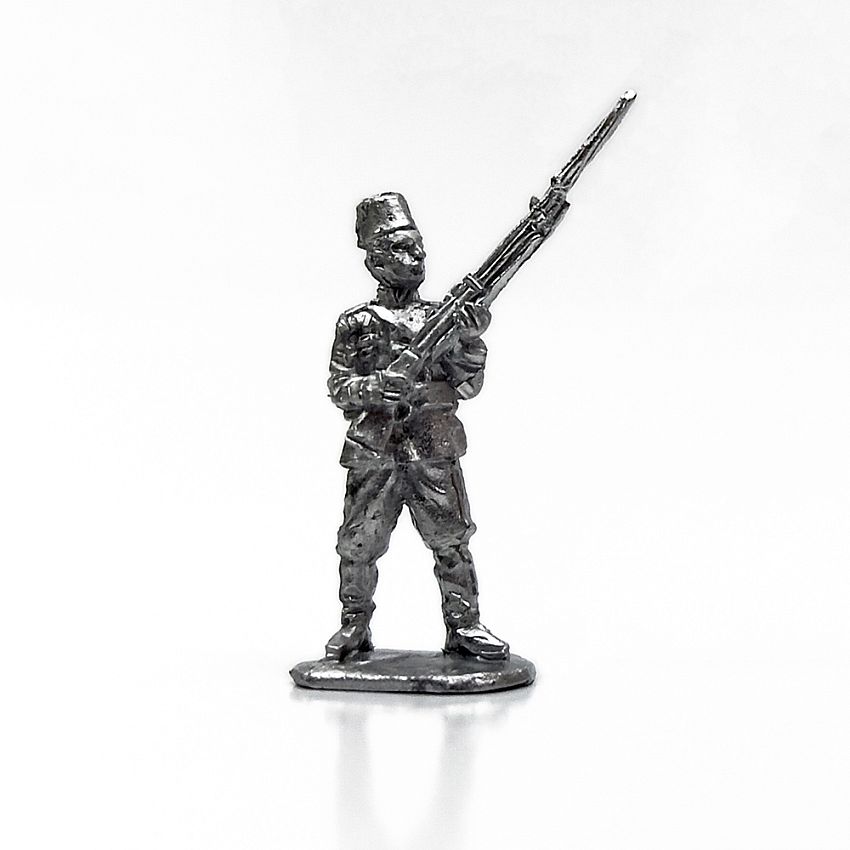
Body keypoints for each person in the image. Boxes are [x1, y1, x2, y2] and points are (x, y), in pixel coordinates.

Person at [324, 191, 510, 662]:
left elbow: (467, 385)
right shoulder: (356, 323)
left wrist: (470, 341)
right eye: (402, 249)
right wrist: (377, 387)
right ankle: (354, 625)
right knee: (358, 543)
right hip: (375, 453)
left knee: (451, 540)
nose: (417, 257)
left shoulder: (439, 319)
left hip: (432, 446)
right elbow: (339, 387)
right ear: (375, 262)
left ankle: (464, 626)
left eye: (419, 247)